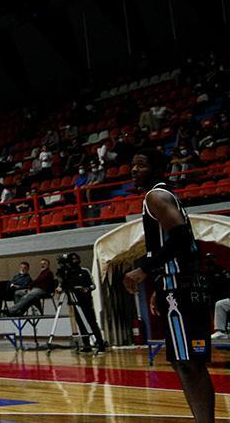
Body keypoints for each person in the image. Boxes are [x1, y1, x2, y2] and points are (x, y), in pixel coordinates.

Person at [124, 149, 215, 423]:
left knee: (189, 364)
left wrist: (144, 269)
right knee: (183, 362)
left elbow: (183, 237)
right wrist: (159, 284)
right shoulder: (160, 196)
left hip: (181, 288)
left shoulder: (156, 196)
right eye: (133, 165)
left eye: (141, 164)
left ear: (156, 168)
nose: (134, 170)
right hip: (174, 285)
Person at [56, 253, 106, 353]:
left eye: (76, 258)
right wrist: (60, 288)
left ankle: (100, 344)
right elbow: (63, 285)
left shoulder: (84, 271)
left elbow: (93, 285)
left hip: (86, 301)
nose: (75, 261)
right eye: (72, 259)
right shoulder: (67, 273)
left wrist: (86, 289)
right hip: (74, 302)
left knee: (92, 322)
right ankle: (86, 345)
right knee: (81, 324)